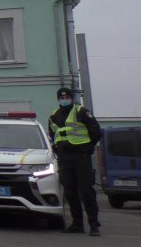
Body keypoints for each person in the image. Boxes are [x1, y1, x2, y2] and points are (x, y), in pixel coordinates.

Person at [49, 87, 102, 236]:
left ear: (71, 98)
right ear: (58, 99)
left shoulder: (81, 112)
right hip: (64, 159)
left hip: (81, 156)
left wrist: (88, 147)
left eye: (66, 97)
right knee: (70, 191)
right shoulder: (53, 116)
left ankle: (94, 224)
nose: (64, 99)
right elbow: (53, 135)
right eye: (61, 97)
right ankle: (77, 224)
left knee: (86, 191)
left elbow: (96, 132)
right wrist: (57, 148)